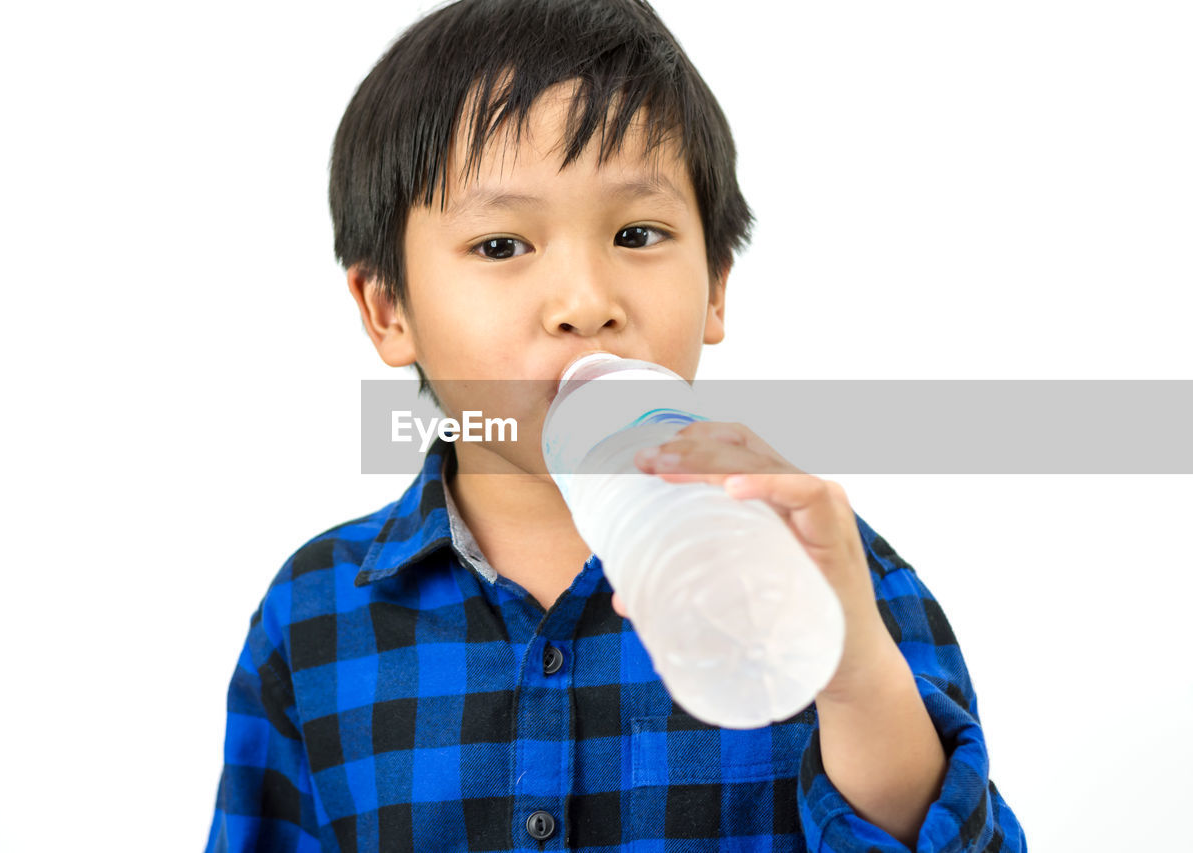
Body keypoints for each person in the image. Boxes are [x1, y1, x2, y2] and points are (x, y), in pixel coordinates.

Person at [204, 1, 1026, 850]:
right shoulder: (315, 613)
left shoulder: (825, 571)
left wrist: (853, 674)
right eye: (500, 245)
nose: (587, 303)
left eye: (638, 233)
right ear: (388, 310)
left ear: (714, 287)